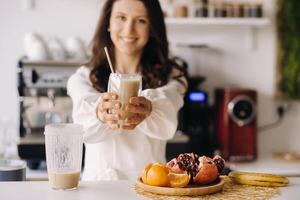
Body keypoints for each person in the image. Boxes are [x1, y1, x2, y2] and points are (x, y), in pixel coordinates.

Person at [67, 0, 187, 181]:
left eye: (141, 20)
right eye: (121, 18)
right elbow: (82, 125)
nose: (129, 29)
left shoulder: (171, 76)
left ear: (152, 27)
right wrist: (99, 113)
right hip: (99, 188)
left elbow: (168, 109)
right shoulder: (84, 77)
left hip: (150, 186)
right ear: (108, 23)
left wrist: (149, 108)